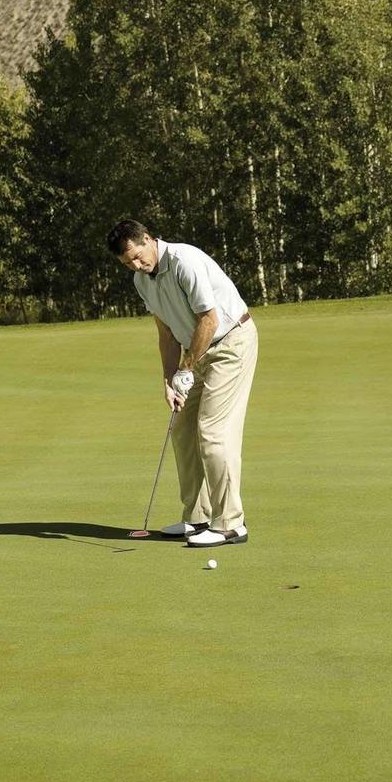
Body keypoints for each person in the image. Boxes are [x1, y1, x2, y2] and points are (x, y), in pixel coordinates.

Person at [107, 218, 258, 548]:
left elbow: (209, 318)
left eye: (137, 255)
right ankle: (199, 517)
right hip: (196, 352)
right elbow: (166, 334)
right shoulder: (141, 280)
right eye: (127, 262)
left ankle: (231, 523)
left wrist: (186, 369)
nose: (135, 264)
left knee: (213, 432)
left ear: (148, 239)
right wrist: (169, 379)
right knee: (183, 429)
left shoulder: (183, 261)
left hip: (230, 343)